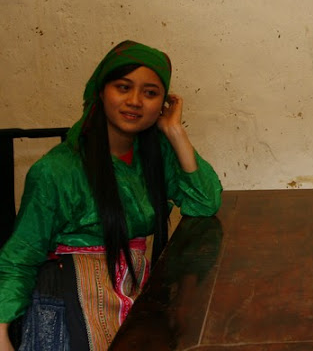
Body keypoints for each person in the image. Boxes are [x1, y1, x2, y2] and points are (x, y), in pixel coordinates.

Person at [0, 40, 223, 351]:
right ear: (101, 92)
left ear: (163, 104)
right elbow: (21, 256)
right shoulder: (57, 170)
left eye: (150, 93)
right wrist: (1, 334)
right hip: (67, 303)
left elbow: (205, 202)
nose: (135, 101)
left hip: (130, 292)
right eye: (123, 87)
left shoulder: (152, 155)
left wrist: (175, 131)